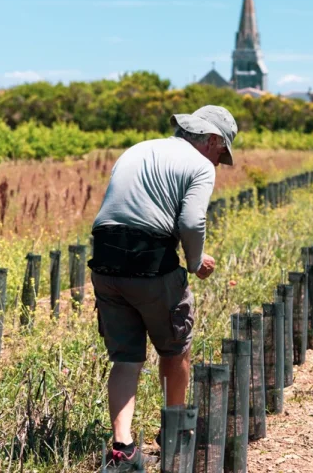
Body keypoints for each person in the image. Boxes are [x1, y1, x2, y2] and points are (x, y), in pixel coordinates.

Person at [89, 105, 237, 470]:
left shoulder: (137, 149)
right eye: (221, 153)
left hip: (105, 260)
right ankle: (175, 433)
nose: (218, 162)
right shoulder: (199, 165)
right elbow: (191, 220)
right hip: (152, 262)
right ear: (212, 140)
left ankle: (123, 449)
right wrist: (194, 262)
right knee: (175, 348)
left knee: (126, 358)